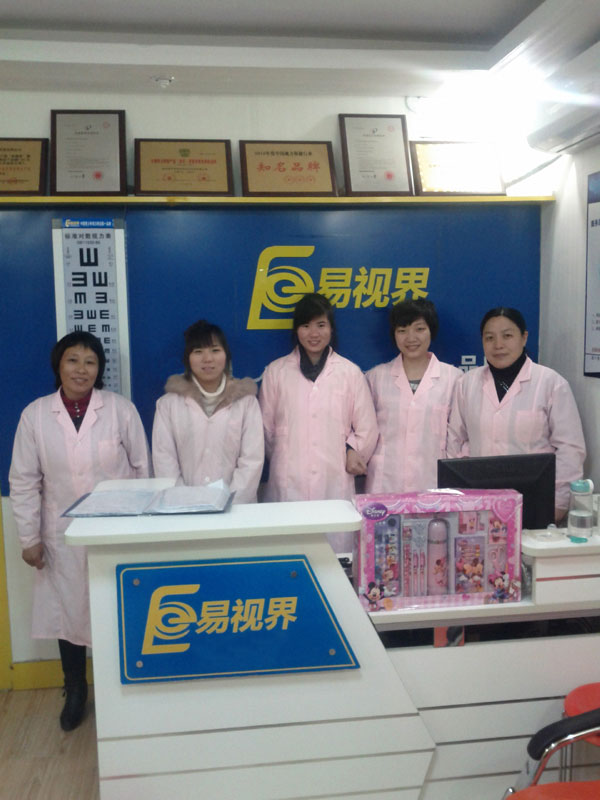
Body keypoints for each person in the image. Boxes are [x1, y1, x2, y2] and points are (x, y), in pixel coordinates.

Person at [9, 331, 150, 732]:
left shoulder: (120, 410)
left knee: (118, 611)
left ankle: (120, 688)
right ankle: (75, 689)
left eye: (90, 362)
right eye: (73, 360)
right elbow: (24, 481)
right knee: (67, 613)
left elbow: (143, 470)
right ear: (59, 364)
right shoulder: (36, 415)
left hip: (116, 532)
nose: (81, 370)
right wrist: (29, 538)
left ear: (99, 369)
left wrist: (143, 529)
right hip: (62, 535)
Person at [259, 293, 378, 550]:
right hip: (287, 483)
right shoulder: (276, 372)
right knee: (289, 555)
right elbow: (266, 431)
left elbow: (367, 428)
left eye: (321, 325)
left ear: (331, 329)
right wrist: (287, 458)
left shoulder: (349, 373)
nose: (313, 333)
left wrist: (351, 450)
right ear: (296, 330)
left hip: (333, 481)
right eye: (305, 325)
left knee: (334, 556)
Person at [447, 307, 586, 521]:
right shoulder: (467, 383)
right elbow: (455, 441)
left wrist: (558, 502)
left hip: (536, 499)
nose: (498, 345)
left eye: (507, 336)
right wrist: (458, 496)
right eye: (490, 338)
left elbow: (570, 449)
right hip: (478, 501)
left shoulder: (550, 383)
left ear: (524, 337)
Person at [152, 319, 264, 503]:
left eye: (215, 350)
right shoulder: (168, 404)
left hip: (236, 508)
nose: (207, 359)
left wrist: (229, 502)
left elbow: (252, 460)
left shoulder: (246, 402)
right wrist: (185, 502)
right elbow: (164, 460)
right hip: (183, 508)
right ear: (187, 358)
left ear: (226, 356)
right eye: (198, 352)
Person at [365, 298, 461, 494]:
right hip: (385, 483)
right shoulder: (375, 378)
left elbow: (459, 437)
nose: (411, 338)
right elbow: (363, 429)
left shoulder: (454, 379)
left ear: (431, 331)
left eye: (419, 329)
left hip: (434, 481)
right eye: (402, 330)